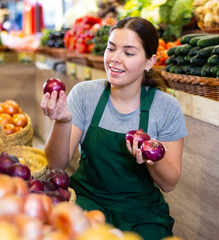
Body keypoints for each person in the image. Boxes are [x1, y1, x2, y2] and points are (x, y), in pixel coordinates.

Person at [41, 17, 187, 240]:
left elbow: (169, 183)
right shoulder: (85, 94)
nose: (114, 59)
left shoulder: (166, 107)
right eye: (111, 49)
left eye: (128, 53)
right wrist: (62, 122)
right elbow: (56, 165)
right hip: (88, 200)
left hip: (142, 212)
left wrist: (153, 160)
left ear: (149, 61)